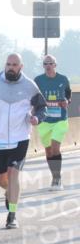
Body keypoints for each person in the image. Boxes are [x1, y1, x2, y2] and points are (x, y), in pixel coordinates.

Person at [0, 53, 47, 229]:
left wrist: (36, 119)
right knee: (2, 180)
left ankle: (12, 215)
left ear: (21, 67)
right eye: (8, 64)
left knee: (14, 173)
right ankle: (9, 193)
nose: (11, 67)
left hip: (20, 137)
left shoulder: (29, 86)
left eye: (14, 64)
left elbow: (41, 107)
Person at [34, 54, 71, 190]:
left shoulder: (63, 79)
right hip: (44, 120)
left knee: (55, 148)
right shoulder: (38, 80)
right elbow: (33, 96)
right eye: (45, 64)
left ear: (55, 65)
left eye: (50, 63)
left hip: (60, 119)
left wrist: (66, 101)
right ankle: (54, 176)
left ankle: (57, 179)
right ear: (43, 66)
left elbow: (68, 94)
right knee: (49, 152)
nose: (48, 66)